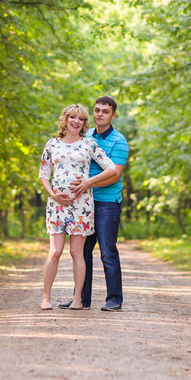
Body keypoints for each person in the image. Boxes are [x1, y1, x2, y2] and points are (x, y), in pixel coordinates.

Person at [38, 104, 117, 310]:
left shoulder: (89, 145)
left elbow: (111, 168)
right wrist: (53, 195)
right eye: (72, 117)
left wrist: (88, 181)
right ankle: (46, 298)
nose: (76, 121)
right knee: (55, 251)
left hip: (81, 205)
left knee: (76, 253)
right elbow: (43, 175)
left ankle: (78, 299)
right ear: (65, 119)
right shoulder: (52, 144)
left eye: (80, 119)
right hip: (56, 204)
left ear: (84, 123)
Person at [61, 96, 128, 312]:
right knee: (82, 252)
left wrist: (89, 182)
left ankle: (114, 299)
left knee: (108, 251)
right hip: (83, 203)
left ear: (113, 115)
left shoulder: (119, 141)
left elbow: (114, 176)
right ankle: (81, 298)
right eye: (97, 110)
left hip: (107, 203)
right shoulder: (85, 136)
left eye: (105, 111)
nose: (100, 114)